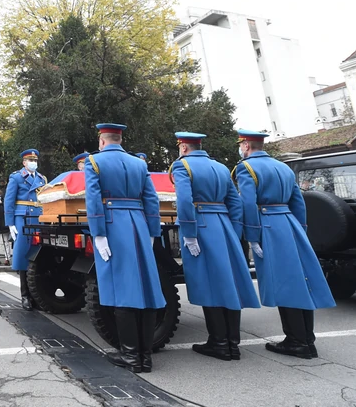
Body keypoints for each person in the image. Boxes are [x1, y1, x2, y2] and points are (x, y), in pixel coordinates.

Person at [234, 128, 335, 359]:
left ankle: (296, 341)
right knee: (299, 282)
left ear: (246, 146)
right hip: (290, 224)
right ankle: (306, 339)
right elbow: (298, 201)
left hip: (268, 227)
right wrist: (300, 230)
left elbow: (248, 205)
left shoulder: (246, 168)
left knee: (285, 285)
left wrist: (252, 236)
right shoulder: (283, 167)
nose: (241, 149)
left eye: (241, 145)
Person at [170, 131, 260, 361]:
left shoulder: (182, 167)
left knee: (209, 284)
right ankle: (232, 343)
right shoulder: (221, 167)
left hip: (201, 227)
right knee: (229, 284)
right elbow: (236, 203)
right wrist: (234, 232)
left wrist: (189, 233)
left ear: (183, 147)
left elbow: (184, 201)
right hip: (225, 226)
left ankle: (219, 343)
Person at [84, 123, 165, 373]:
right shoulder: (139, 164)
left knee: (123, 290)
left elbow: (93, 199)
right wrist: (153, 231)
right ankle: (145, 356)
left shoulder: (94, 162)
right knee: (147, 289)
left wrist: (97, 233)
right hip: (139, 225)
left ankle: (131, 356)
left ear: (102, 140)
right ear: (120, 139)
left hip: (113, 226)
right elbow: (151, 199)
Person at [4, 148, 48, 311]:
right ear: (24, 163)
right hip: (22, 217)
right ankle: (25, 295)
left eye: (35, 161)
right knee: (23, 256)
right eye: (30, 161)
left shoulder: (42, 178)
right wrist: (10, 223)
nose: (33, 163)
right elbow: (9, 200)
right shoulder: (16, 177)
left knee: (38, 257)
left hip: (38, 217)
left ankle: (37, 295)